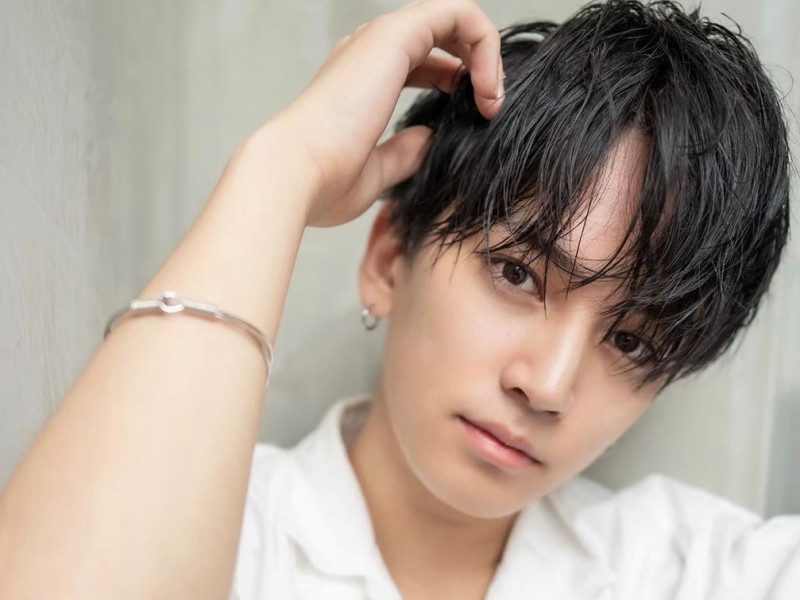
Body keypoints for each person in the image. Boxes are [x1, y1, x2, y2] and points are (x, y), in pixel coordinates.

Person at [0, 0, 796, 598]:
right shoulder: (221, 530)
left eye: (632, 341)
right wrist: (283, 168)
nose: (548, 385)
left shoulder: (698, 573)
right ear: (387, 258)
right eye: (517, 273)